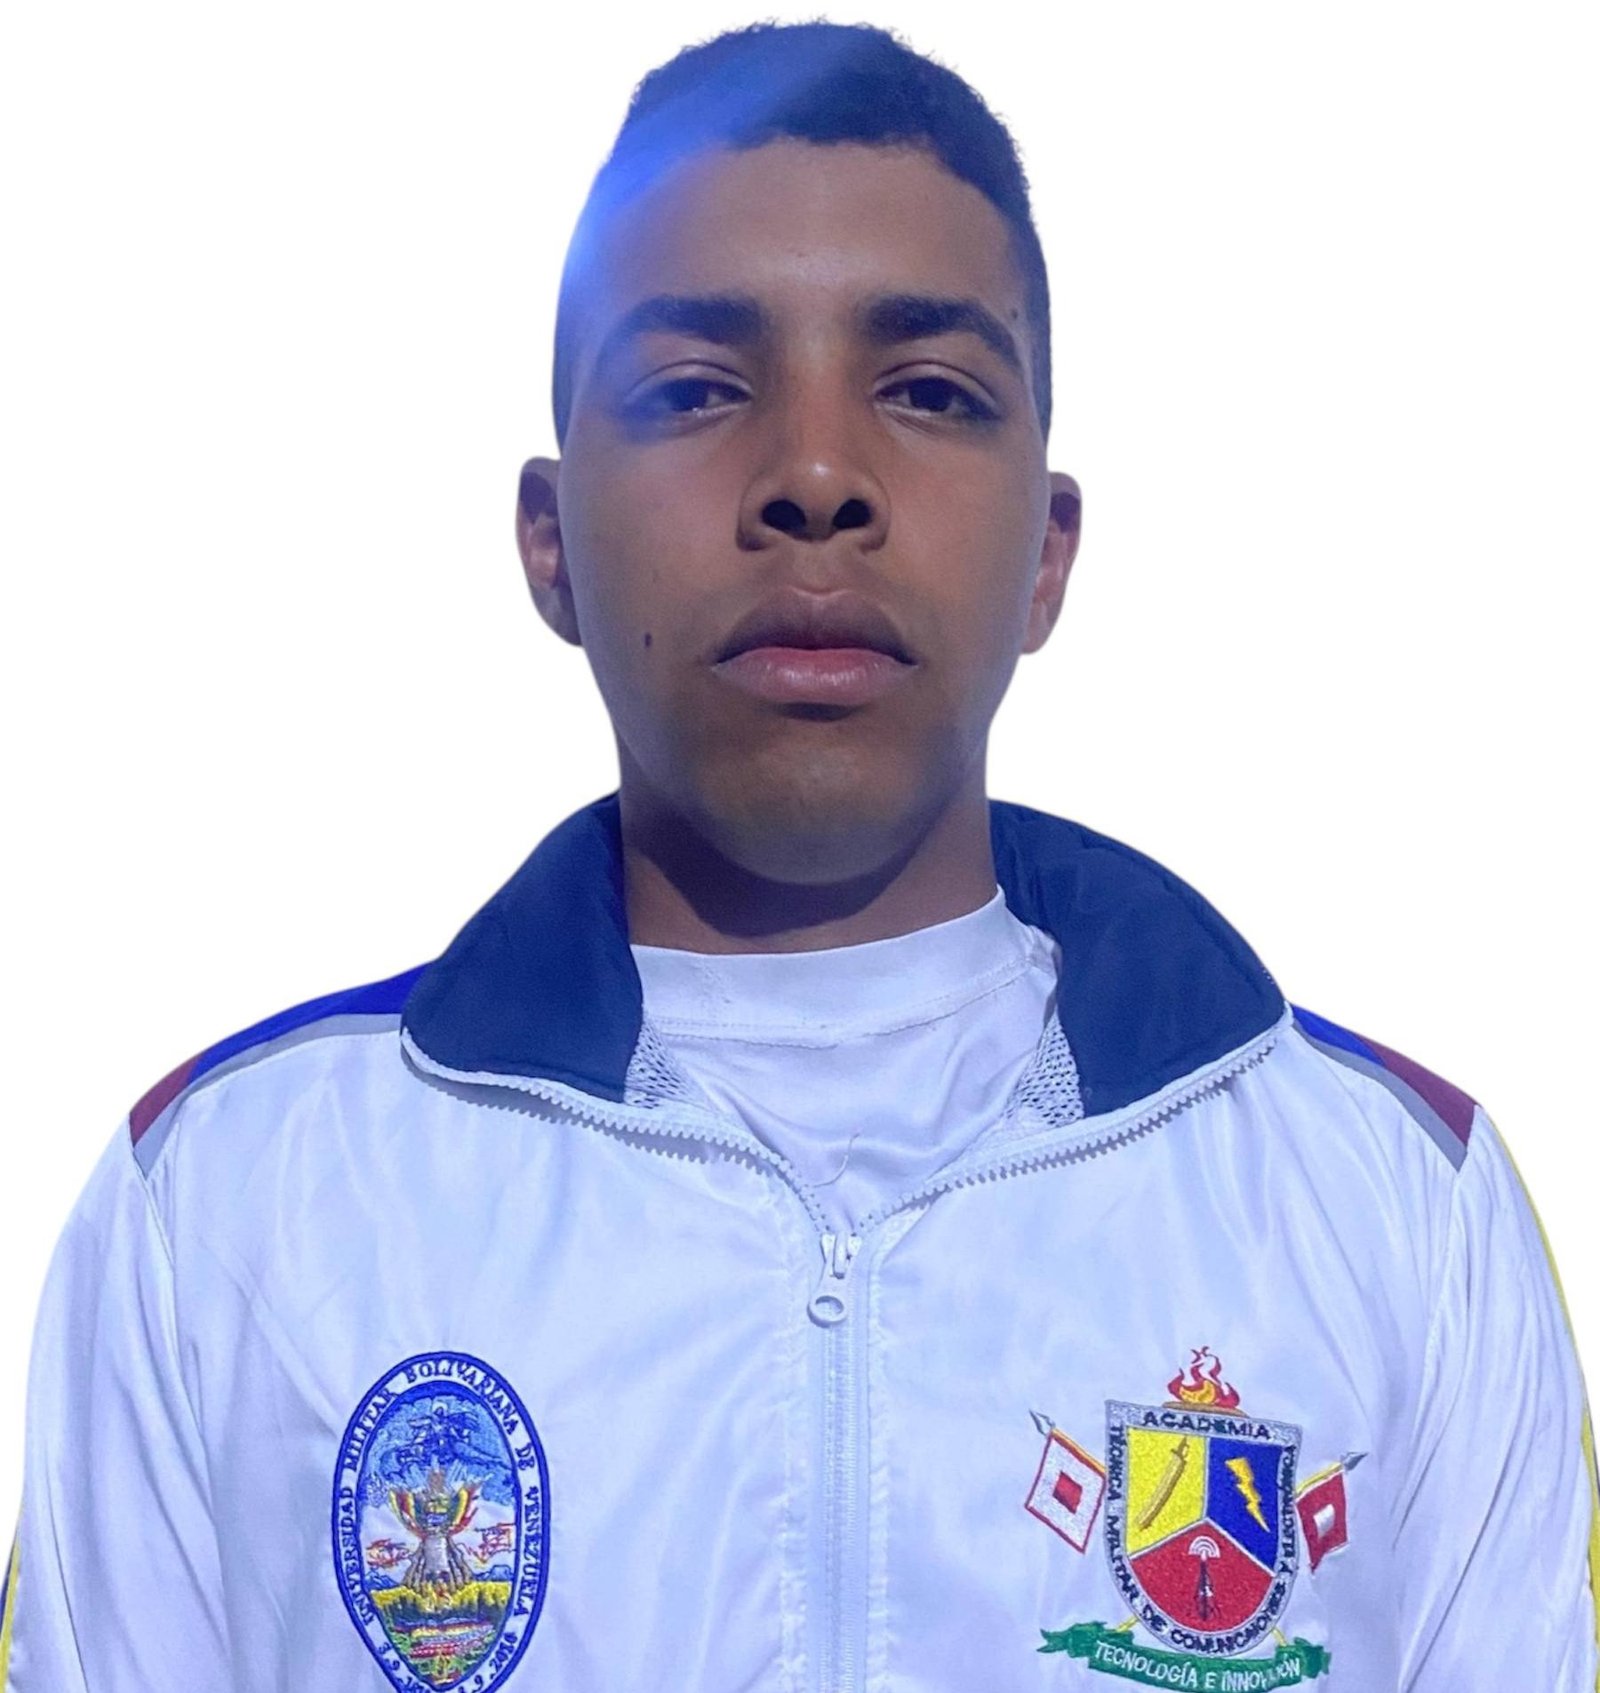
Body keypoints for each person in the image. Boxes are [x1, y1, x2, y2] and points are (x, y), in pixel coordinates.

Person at [1, 19, 1594, 1692]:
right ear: (550, 540)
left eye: (929, 392)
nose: (817, 476)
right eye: (695, 390)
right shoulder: (227, 1215)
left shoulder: (1395, 1212)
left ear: (1049, 555)